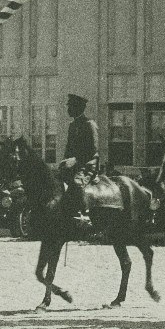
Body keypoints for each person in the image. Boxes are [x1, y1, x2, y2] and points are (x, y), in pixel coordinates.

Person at [58, 93, 99, 231]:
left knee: (77, 183)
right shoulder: (72, 125)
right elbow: (69, 148)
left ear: (78, 108)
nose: (68, 109)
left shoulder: (89, 124)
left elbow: (93, 150)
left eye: (70, 106)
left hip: (88, 165)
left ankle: (84, 215)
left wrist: (76, 160)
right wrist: (64, 162)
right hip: (73, 164)